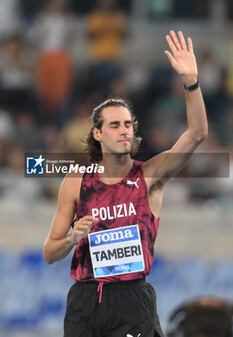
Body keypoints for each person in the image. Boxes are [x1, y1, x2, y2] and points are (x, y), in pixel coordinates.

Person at [43, 30, 208, 337]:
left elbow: (197, 134)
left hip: (132, 300)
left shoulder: (149, 176)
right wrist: (72, 238)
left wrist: (191, 83)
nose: (124, 130)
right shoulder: (77, 181)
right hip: (84, 301)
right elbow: (50, 252)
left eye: (129, 124)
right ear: (97, 133)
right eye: (115, 124)